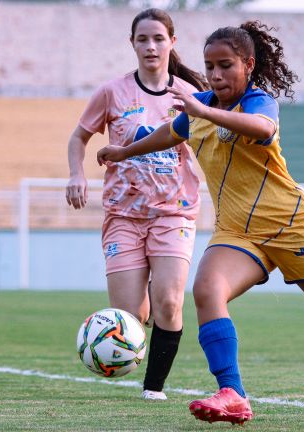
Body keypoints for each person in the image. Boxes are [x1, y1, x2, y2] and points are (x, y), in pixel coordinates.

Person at [97, 21, 304, 425]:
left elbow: (264, 128)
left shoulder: (258, 102)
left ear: (248, 65)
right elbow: (166, 134)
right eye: (210, 66)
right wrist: (122, 151)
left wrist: (204, 110)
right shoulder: (200, 109)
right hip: (238, 232)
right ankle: (233, 393)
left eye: (225, 65)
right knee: (207, 289)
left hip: (294, 227)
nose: (216, 75)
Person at [65, 9, 207, 401]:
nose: (150, 46)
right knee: (131, 317)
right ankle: (142, 296)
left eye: (158, 38)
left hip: (173, 212)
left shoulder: (188, 96)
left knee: (169, 301)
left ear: (171, 43)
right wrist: (77, 174)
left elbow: (210, 143)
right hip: (124, 215)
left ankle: (153, 388)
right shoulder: (113, 92)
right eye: (142, 39)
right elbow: (78, 138)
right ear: (132, 44)